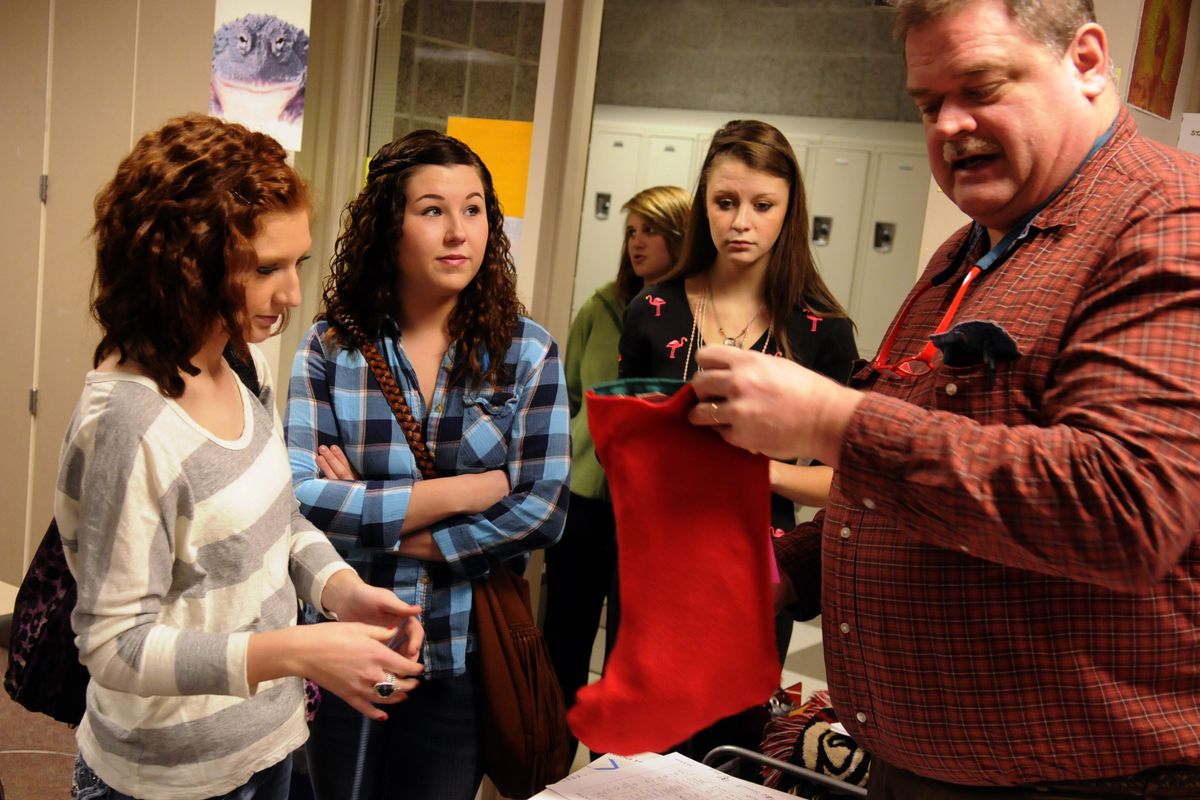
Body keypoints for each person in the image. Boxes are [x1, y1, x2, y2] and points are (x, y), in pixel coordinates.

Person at [689, 0, 1200, 796]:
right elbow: (910, 491)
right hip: (921, 768)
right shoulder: (967, 252)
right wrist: (789, 568)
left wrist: (831, 420)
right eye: (929, 105)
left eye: (982, 85)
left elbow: (1124, 506)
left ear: (1089, 61)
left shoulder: (1166, 219)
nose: (952, 125)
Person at [58, 113, 425, 800]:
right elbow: (114, 647)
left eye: (297, 264)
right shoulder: (130, 424)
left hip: (267, 743)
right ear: (182, 261)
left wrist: (340, 590)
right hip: (170, 778)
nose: (291, 295)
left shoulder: (237, 359)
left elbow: (281, 521)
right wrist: (296, 653)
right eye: (265, 269)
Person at [285, 129, 570, 800]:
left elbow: (543, 509)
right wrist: (473, 489)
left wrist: (379, 514)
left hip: (461, 651)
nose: (457, 232)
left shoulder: (527, 352)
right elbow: (299, 495)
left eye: (473, 210)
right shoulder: (332, 345)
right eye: (432, 210)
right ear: (390, 226)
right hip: (345, 642)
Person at [618, 119, 858, 762]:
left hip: (757, 573)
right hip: (657, 568)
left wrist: (758, 470)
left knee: (725, 755)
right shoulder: (653, 310)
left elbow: (847, 482)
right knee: (640, 751)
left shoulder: (822, 332)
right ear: (704, 206)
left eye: (762, 205)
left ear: (789, 211)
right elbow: (626, 451)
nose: (741, 222)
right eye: (725, 203)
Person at [543, 185, 691, 749]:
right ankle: (550, 764)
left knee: (632, 649)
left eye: (650, 230)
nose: (637, 242)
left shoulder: (687, 316)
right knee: (565, 639)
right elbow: (571, 399)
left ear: (680, 236)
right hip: (582, 500)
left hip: (647, 513)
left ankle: (615, 769)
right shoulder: (601, 307)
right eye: (630, 231)